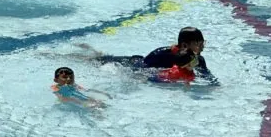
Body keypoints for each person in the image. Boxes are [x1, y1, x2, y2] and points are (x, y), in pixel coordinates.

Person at [85, 27, 216, 83]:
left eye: (202, 42)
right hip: (132, 63)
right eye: (198, 43)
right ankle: (86, 54)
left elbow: (208, 76)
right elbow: (140, 70)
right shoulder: (162, 54)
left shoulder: (200, 60)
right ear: (184, 45)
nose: (202, 46)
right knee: (95, 60)